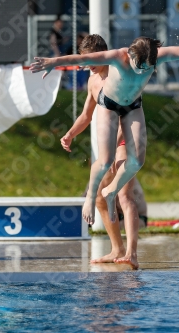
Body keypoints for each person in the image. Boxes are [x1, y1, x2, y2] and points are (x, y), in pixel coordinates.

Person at [31, 36, 179, 225]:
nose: (143, 72)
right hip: (108, 105)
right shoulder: (117, 57)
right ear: (130, 55)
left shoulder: (159, 55)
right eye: (140, 67)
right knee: (105, 159)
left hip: (133, 106)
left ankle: (110, 192)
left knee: (137, 161)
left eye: (148, 69)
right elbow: (83, 57)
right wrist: (53, 62)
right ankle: (90, 196)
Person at [60, 34, 142, 269]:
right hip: (108, 148)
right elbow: (86, 114)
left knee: (125, 196)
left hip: (127, 141)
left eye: (91, 60)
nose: (86, 66)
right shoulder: (93, 80)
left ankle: (131, 253)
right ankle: (116, 248)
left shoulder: (121, 73)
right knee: (100, 197)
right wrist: (70, 134)